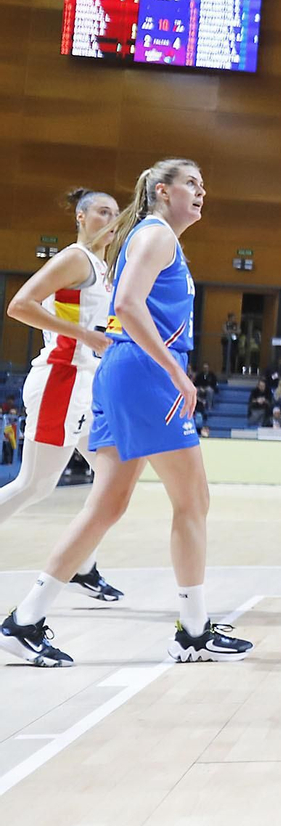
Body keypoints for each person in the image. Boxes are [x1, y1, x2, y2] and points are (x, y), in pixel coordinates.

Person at [1, 160, 253, 668]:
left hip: (122, 369)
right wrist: (177, 373)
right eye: (192, 183)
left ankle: (25, 620)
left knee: (109, 503)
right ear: (163, 190)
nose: (202, 191)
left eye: (204, 184)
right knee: (193, 500)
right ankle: (194, 630)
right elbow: (130, 305)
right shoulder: (157, 235)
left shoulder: (151, 237)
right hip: (144, 373)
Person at [0, 188, 125, 603]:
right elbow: (19, 305)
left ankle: (82, 566)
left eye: (115, 213)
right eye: (101, 212)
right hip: (61, 381)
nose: (110, 219)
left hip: (87, 386)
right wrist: (86, 335)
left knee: (114, 475)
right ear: (81, 217)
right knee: (34, 485)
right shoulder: (74, 258)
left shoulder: (103, 269)